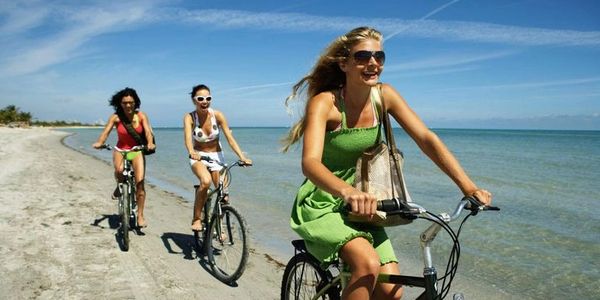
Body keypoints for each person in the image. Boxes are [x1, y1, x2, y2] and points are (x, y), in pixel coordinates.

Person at [282, 27, 493, 300]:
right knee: (366, 265)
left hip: (369, 203)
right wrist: (348, 192)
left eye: (379, 56)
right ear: (344, 63)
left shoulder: (384, 96)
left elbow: (426, 139)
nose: (373, 63)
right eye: (363, 56)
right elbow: (310, 163)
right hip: (324, 201)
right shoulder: (326, 103)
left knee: (391, 291)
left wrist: (468, 187)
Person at [183, 84, 252, 232]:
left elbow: (230, 138)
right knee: (205, 181)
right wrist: (191, 151)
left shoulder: (218, 115)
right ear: (194, 100)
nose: (204, 101)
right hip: (198, 156)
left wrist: (242, 157)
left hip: (217, 156)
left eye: (208, 98)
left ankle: (219, 225)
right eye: (200, 98)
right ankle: (196, 219)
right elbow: (188, 138)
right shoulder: (189, 117)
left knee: (224, 193)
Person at [92, 87, 156, 228]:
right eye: (125, 102)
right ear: (119, 103)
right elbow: (106, 132)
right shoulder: (115, 117)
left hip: (136, 150)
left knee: (140, 182)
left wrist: (150, 143)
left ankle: (140, 215)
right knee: (119, 171)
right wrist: (100, 142)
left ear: (135, 102)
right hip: (120, 150)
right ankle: (119, 186)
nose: (128, 105)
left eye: (131, 102)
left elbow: (148, 132)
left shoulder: (141, 116)